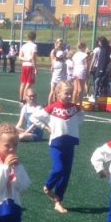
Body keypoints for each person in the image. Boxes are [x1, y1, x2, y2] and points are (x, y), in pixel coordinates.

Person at [42, 80, 84, 214]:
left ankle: (58, 201)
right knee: (59, 169)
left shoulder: (75, 108)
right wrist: (46, 127)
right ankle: (48, 186)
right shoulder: (53, 107)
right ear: (58, 93)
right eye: (66, 93)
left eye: (70, 93)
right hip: (56, 143)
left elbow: (81, 117)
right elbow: (36, 117)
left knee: (66, 174)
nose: (69, 96)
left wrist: (73, 127)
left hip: (70, 143)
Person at [19, 30, 39, 102]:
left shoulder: (24, 46)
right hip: (30, 66)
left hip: (24, 66)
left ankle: (21, 99)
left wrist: (26, 59)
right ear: (35, 37)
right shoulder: (34, 46)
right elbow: (33, 58)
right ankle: (24, 99)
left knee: (23, 83)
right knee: (28, 83)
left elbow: (20, 57)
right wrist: (36, 68)